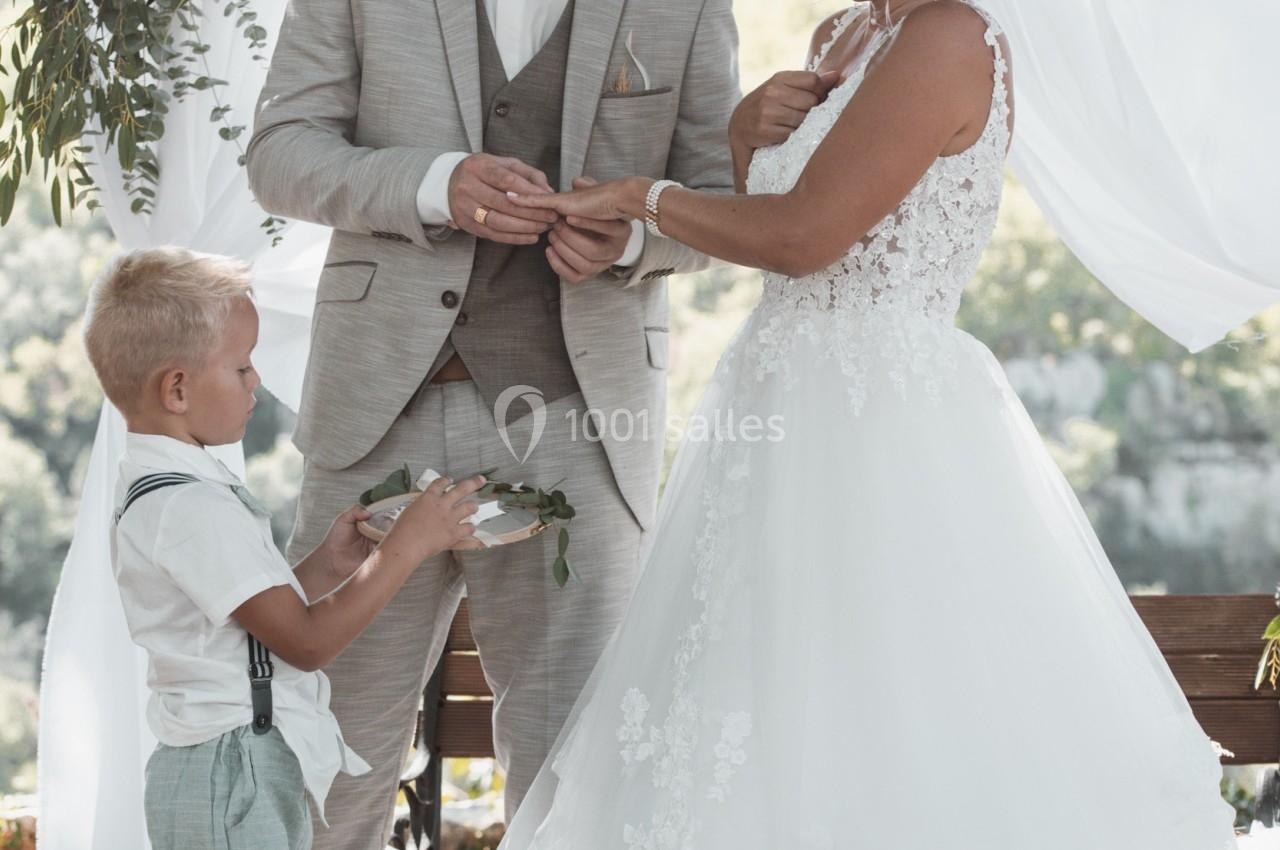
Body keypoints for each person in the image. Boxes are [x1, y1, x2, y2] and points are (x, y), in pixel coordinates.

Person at [498, 1, 1240, 847]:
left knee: (881, 686)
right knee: (760, 679)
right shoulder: (839, 35)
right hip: (775, 402)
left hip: (882, 425)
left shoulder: (952, 34)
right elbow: (776, 214)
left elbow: (808, 236)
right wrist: (744, 140)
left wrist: (642, 198)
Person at [244, 0, 741, 842]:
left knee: (574, 784)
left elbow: (720, 203)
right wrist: (433, 184)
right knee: (327, 761)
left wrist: (628, 244)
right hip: (375, 411)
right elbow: (279, 154)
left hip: (582, 425)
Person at [81, 246, 486, 850]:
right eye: (241, 367)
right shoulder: (191, 507)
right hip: (233, 772)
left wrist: (327, 566)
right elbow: (305, 642)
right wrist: (406, 547)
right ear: (177, 389)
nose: (256, 380)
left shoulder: (169, 488)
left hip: (223, 764)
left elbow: (242, 620)